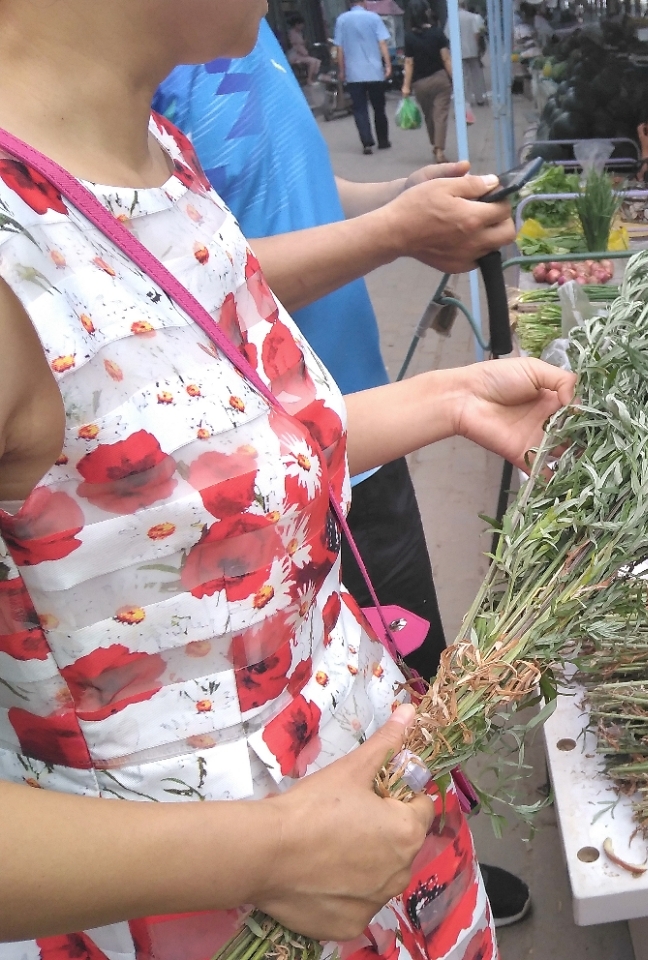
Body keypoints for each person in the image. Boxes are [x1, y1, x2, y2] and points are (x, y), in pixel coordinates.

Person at [0, 1, 572, 955]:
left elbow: (203, 472)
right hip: (202, 911)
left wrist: (452, 397)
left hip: (371, 852)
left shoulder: (150, 152)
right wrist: (264, 853)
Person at [154, 18, 532, 925]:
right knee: (343, 693)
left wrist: (393, 197)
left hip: (346, 415)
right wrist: (395, 234)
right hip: (267, 461)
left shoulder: (234, 35)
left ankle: (432, 859)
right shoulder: (138, 70)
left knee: (411, 667)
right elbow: (185, 288)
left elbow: (266, 194)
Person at [335, 0, 393, 154]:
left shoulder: (341, 20)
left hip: (354, 73)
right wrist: (388, 64)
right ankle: (383, 140)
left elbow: (339, 49)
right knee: (379, 108)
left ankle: (367, 142)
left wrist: (342, 70)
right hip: (374, 71)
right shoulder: (374, 17)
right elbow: (382, 44)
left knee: (360, 108)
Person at [403, 7, 453, 163]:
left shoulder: (409, 37)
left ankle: (435, 144)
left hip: (420, 83)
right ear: (427, 14)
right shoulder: (437, 33)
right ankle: (439, 150)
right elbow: (446, 58)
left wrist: (406, 86)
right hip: (440, 79)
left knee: (429, 116)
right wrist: (454, 78)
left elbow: (409, 63)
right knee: (440, 115)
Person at [457, 5, 488, 107]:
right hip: (472, 49)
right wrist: (478, 47)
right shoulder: (473, 17)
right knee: (476, 75)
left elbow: (448, 34)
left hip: (460, 50)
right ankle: (480, 98)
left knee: (464, 76)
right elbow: (477, 33)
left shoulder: (453, 17)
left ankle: (467, 100)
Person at [285, 15, 322, 84]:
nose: (302, 26)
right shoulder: (292, 33)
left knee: (317, 61)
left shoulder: (299, 33)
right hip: (295, 55)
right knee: (313, 62)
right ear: (296, 24)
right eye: (301, 25)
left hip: (301, 53)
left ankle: (313, 77)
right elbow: (296, 45)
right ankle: (309, 79)